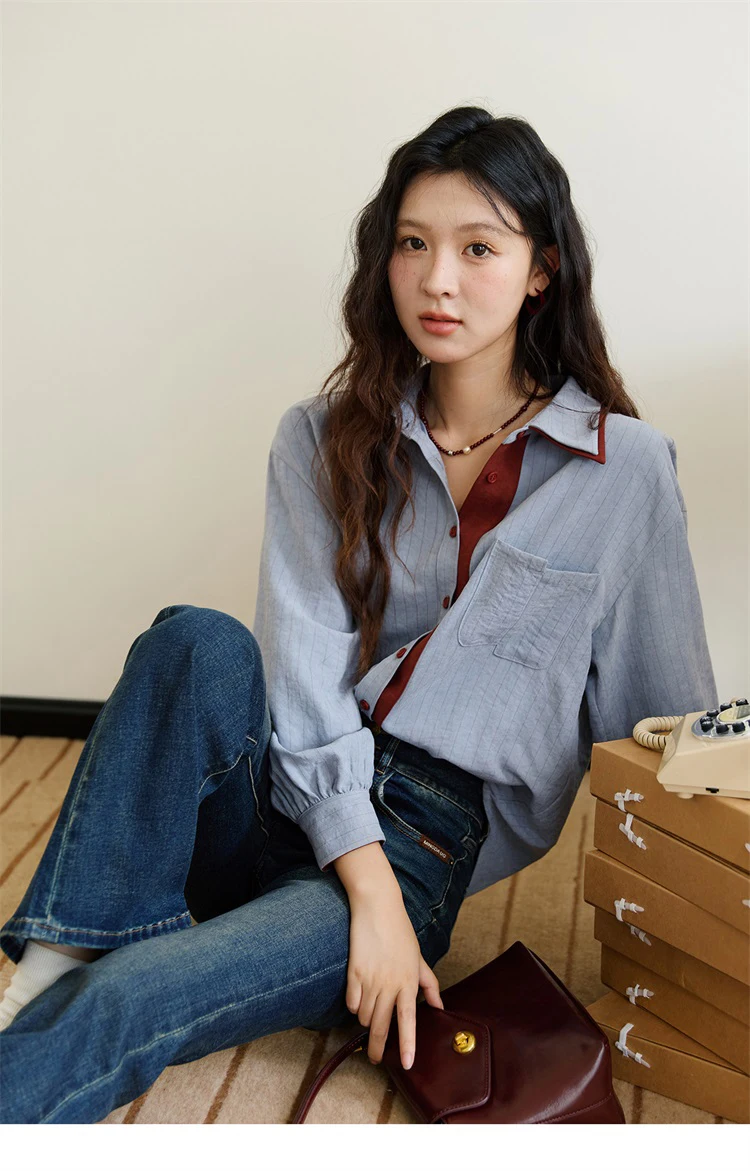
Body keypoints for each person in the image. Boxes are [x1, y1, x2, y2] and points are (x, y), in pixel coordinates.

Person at [0, 106, 717, 1124]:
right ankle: (47, 965)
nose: (437, 280)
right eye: (412, 244)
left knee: (127, 1000)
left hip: (422, 844)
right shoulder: (321, 436)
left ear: (543, 269)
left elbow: (663, 726)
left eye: (479, 249)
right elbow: (299, 669)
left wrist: (702, 947)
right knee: (195, 640)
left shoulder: (624, 472)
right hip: (282, 795)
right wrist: (368, 894)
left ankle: (87, 985)